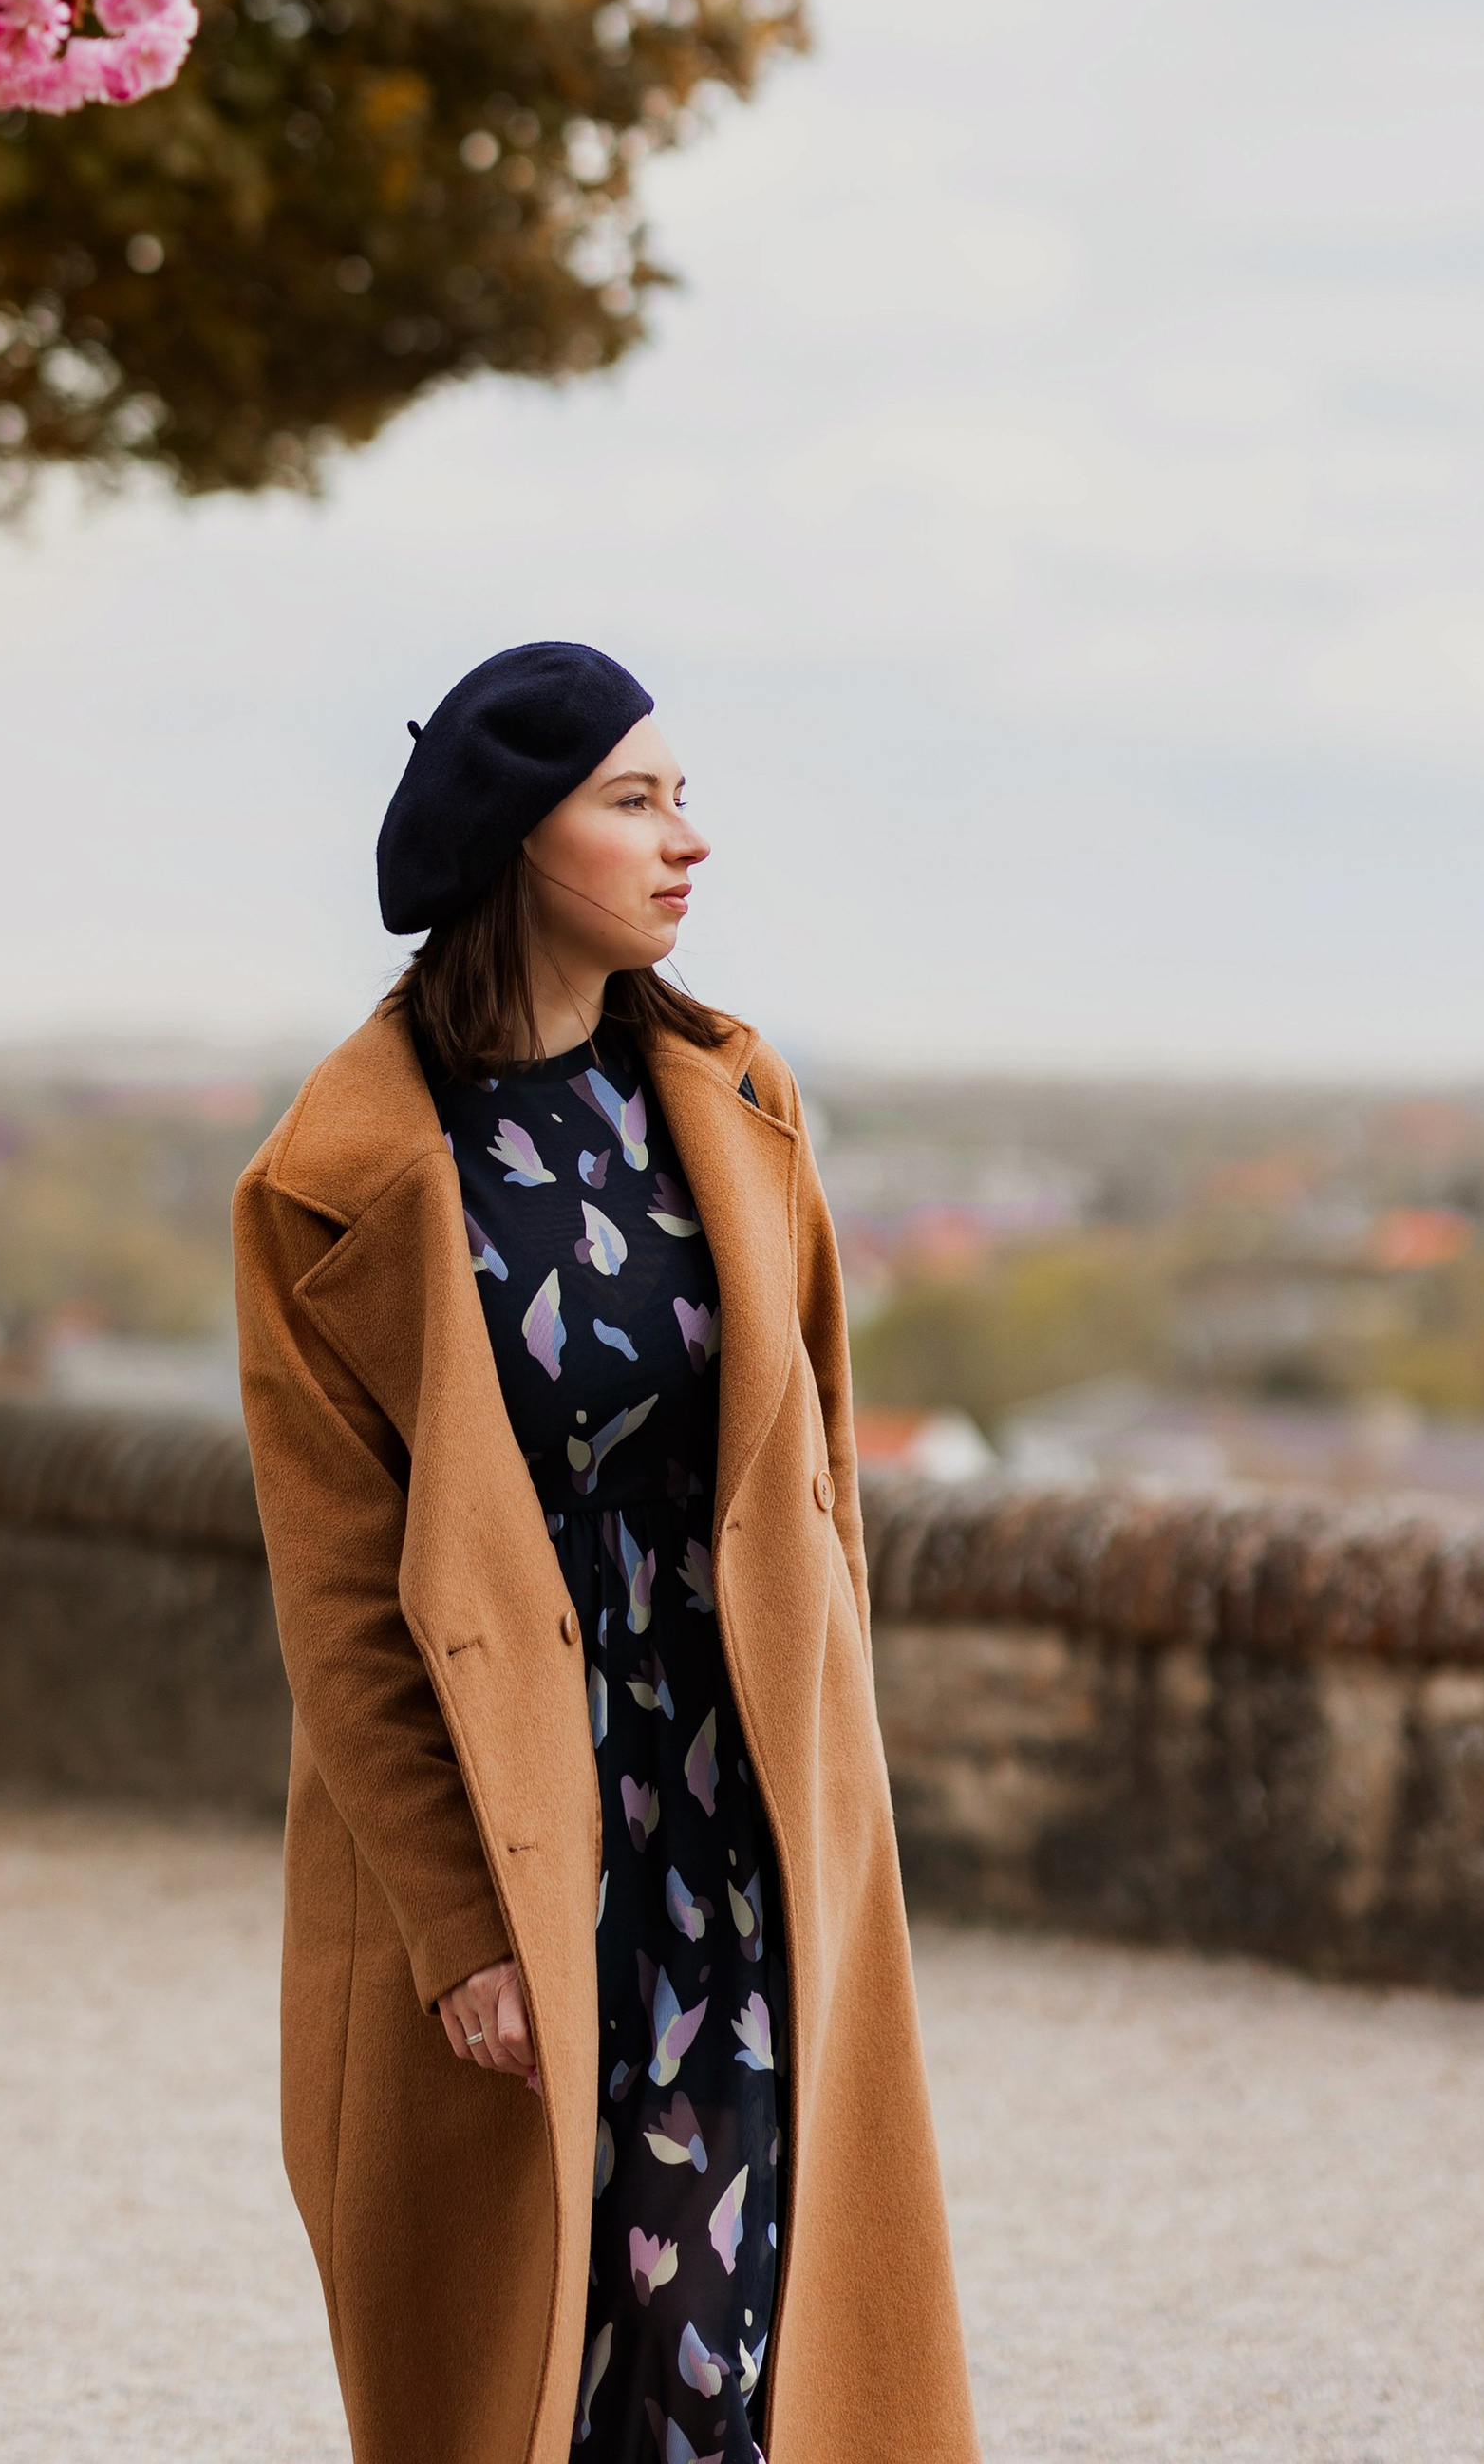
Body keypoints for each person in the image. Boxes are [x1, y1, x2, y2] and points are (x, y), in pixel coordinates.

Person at [235, 642, 979, 2464]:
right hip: (520, 1827)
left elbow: (817, 1491)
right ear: (516, 841)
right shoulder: (335, 1180)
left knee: (722, 2315)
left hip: (739, 1816)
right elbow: (339, 1604)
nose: (690, 842)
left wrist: (834, 1780)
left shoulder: (734, 1104)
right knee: (545, 2353)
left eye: (680, 794)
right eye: (636, 802)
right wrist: (458, 1924)